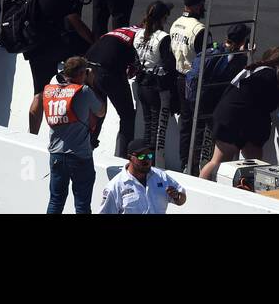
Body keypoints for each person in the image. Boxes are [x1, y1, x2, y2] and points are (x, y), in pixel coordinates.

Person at [199, 45, 279, 181]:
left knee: (246, 161)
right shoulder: (272, 75)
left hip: (228, 115)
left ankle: (236, 187)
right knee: (228, 161)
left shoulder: (257, 68)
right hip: (236, 120)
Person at [30, 56, 105, 214]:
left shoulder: (50, 90)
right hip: (80, 156)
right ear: (81, 74)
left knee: (56, 201)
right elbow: (101, 111)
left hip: (56, 154)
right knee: (82, 205)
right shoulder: (83, 91)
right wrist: (91, 83)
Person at [185, 23, 250, 174]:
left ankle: (191, 168)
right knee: (210, 141)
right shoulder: (236, 58)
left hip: (197, 99)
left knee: (195, 136)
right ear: (243, 41)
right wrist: (246, 55)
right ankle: (204, 172)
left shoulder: (213, 49)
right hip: (214, 104)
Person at [23, 0, 93, 99]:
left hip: (32, 49)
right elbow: (77, 24)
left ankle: (35, 120)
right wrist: (93, 42)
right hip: (51, 48)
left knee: (39, 93)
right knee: (82, 47)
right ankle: (75, 83)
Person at [133, 1, 177, 168]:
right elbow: (168, 64)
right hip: (156, 88)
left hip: (141, 85)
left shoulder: (138, 34)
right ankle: (150, 164)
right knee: (156, 131)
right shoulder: (163, 38)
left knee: (147, 127)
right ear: (163, 17)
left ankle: (144, 162)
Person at [87, 23, 139, 158]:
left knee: (98, 112)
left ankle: (87, 148)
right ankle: (122, 157)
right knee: (127, 116)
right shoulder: (142, 37)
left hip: (89, 67)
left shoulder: (121, 30)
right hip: (108, 72)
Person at [170, 0, 209, 170]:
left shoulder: (175, 23)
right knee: (199, 122)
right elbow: (206, 59)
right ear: (196, 6)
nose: (204, 7)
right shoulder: (200, 29)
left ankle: (184, 161)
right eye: (202, 4)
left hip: (179, 78)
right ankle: (194, 165)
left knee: (186, 122)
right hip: (195, 80)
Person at [99, 138, 187, 214]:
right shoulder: (115, 186)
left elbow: (181, 198)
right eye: (141, 156)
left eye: (149, 155)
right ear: (130, 157)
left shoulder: (161, 176)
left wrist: (176, 196)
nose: (147, 160)